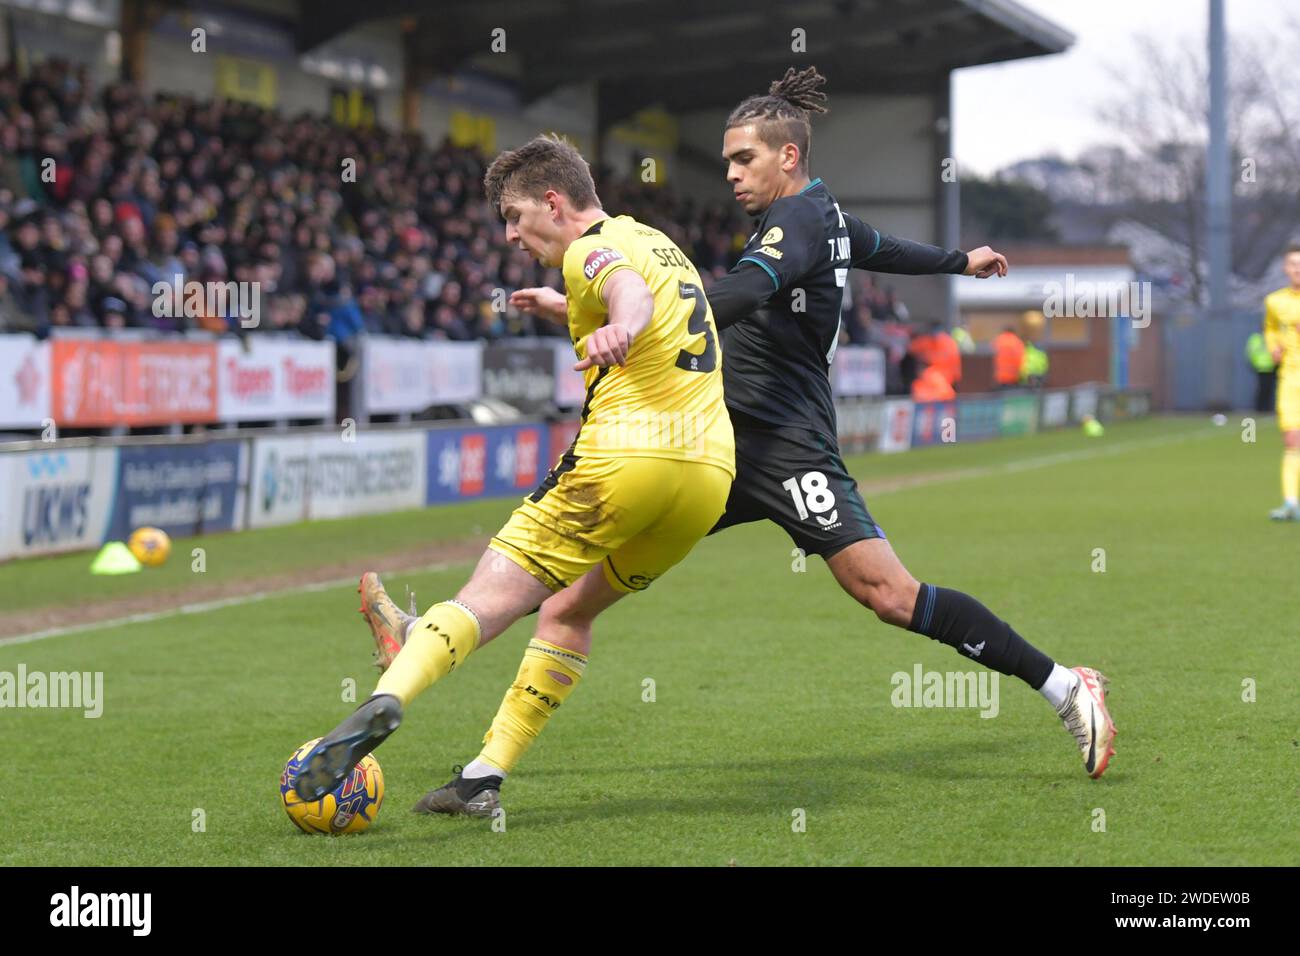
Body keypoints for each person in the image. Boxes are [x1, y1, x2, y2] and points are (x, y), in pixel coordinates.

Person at [370, 70, 1116, 818]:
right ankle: (481, 772)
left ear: (787, 158)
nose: (728, 175)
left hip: (788, 446)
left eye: (742, 159)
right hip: (716, 450)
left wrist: (630, 316)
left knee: (889, 595)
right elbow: (883, 247)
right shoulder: (823, 222)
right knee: (568, 600)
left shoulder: (798, 224)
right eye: (726, 161)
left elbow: (741, 292)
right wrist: (960, 261)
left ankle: (1064, 685)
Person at [292, 134, 736, 810]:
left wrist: (618, 324)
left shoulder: (590, 249)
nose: (509, 234)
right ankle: (482, 778)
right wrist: (574, 311)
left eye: (514, 215)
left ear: (554, 201)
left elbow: (629, 297)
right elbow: (656, 299)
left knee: (487, 597)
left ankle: (390, 692)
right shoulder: (655, 241)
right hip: (704, 477)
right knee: (567, 608)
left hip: (628, 458)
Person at [1265, 244, 1300, 521]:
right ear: (1285, 268)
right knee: (1292, 440)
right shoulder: (1274, 301)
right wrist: (1273, 344)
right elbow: (1270, 328)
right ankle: (1290, 503)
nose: (1297, 268)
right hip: (1290, 379)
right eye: (1293, 263)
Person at [1244, 332, 1276, 413]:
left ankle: (1267, 408)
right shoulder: (1256, 338)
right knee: (1262, 389)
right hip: (1260, 368)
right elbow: (1250, 352)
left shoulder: (1274, 338)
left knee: (1269, 389)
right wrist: (1253, 363)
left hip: (1271, 367)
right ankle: (1260, 409)